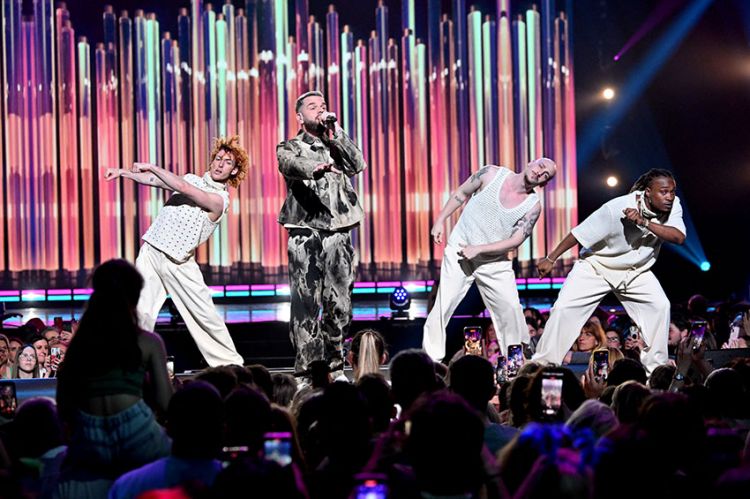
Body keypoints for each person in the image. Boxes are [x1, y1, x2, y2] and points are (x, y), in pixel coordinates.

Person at [105, 136, 249, 367]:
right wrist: (124, 172)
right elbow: (156, 181)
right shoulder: (192, 178)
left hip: (178, 263)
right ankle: (128, 364)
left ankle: (231, 366)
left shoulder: (220, 200)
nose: (220, 164)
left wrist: (151, 165)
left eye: (228, 162)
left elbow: (181, 187)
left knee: (204, 317)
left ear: (234, 171)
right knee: (139, 311)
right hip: (152, 252)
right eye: (218, 158)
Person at [533, 169, 686, 374]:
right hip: (597, 267)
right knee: (563, 309)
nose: (669, 197)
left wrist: (644, 222)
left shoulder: (673, 205)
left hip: (635, 271)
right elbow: (579, 234)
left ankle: (656, 371)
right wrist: (551, 258)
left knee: (659, 306)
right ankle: (542, 367)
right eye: (664, 192)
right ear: (648, 192)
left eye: (672, 192)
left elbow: (678, 237)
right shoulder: (616, 208)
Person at [55, 259, 172, 497]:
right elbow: (166, 403)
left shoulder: (79, 346)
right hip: (138, 431)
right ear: (133, 297)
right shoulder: (147, 341)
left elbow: (64, 405)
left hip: (89, 434)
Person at [423, 158, 557, 360]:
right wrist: (440, 221)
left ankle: (516, 362)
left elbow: (514, 241)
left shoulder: (532, 206)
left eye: (545, 174)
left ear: (544, 183)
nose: (540, 172)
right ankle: (431, 360)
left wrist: (479, 249)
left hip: (494, 261)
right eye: (540, 166)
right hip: (460, 249)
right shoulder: (490, 174)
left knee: (510, 309)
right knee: (444, 304)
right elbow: (461, 193)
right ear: (530, 162)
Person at [277, 90, 366, 378]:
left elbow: (358, 164)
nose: (320, 110)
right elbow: (289, 164)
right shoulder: (288, 146)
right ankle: (307, 372)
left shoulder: (335, 143)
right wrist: (313, 168)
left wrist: (336, 132)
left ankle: (335, 365)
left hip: (338, 232)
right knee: (305, 303)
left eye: (323, 106)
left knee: (339, 302)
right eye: (312, 107)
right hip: (305, 233)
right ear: (299, 116)